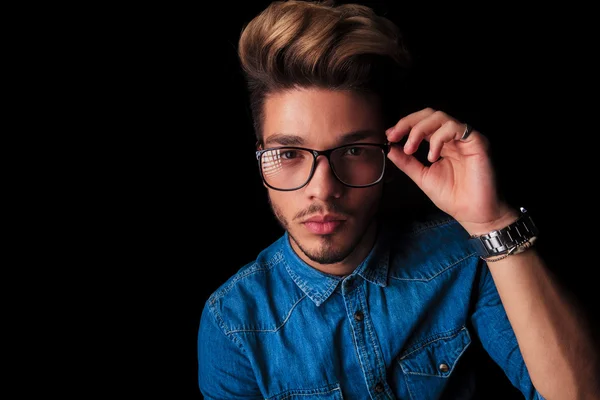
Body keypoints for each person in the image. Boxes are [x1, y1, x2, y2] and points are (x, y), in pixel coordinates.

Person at [197, 1, 599, 398]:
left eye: (353, 151)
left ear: (388, 150)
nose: (322, 188)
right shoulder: (232, 324)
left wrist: (490, 221)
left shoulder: (463, 258)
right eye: (288, 154)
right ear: (259, 157)